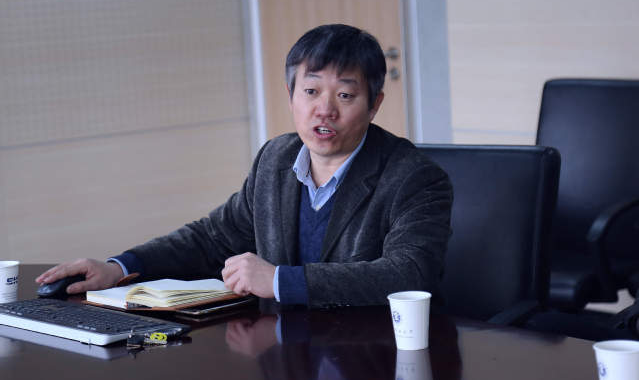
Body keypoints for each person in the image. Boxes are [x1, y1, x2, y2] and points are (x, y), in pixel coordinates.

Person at [36, 24, 453, 308]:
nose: (324, 110)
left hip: (371, 353)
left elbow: (409, 274)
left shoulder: (414, 178)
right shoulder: (277, 159)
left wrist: (280, 281)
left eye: (345, 96)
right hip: (283, 351)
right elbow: (212, 238)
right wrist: (119, 267)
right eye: (310, 91)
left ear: (374, 104)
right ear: (291, 95)